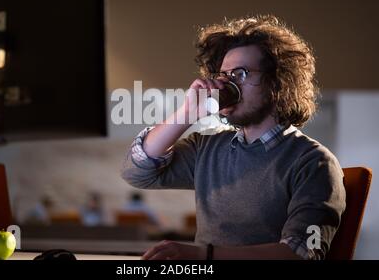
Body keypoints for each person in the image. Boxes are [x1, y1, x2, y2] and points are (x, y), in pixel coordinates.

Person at [121, 15, 346, 260]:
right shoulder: (206, 148)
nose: (227, 85)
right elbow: (137, 173)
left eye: (240, 73)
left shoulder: (314, 162)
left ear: (278, 83)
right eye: (224, 76)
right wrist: (186, 113)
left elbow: (300, 253)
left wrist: (203, 255)